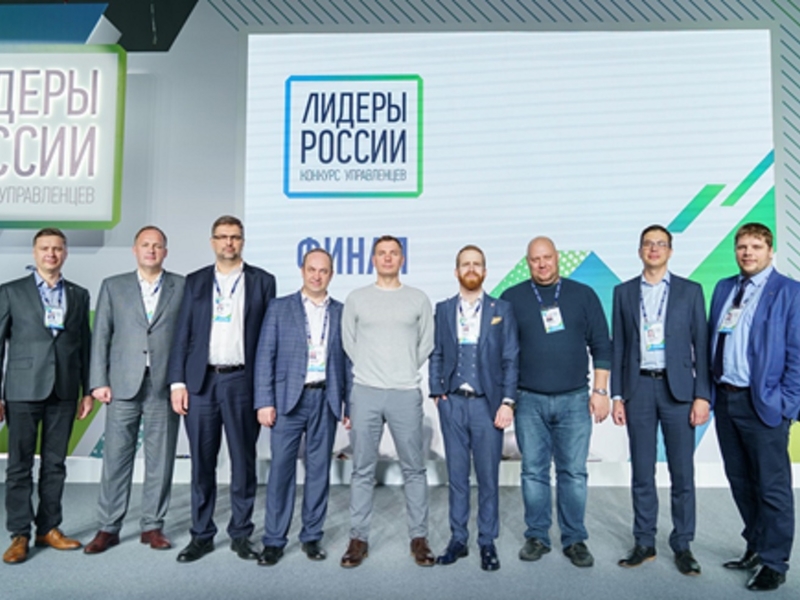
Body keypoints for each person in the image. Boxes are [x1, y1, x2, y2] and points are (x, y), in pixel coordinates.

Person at [167, 215, 275, 563]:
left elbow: (268, 340)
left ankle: (241, 534)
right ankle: (201, 535)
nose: (229, 242)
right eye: (223, 236)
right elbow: (182, 333)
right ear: (213, 241)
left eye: (235, 237)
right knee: (202, 463)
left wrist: (266, 390)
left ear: (242, 241)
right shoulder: (196, 281)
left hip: (242, 381)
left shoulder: (262, 281)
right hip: (201, 383)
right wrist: (178, 382)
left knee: (243, 462)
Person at [500, 236, 611, 568]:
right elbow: (503, 353)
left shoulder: (583, 295)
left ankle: (574, 539)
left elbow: (602, 345)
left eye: (547, 257)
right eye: (535, 259)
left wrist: (600, 392)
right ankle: (537, 535)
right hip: (528, 401)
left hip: (575, 399)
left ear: (557, 257)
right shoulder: (512, 298)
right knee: (533, 472)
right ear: (527, 262)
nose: (542, 264)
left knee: (573, 473)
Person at [611, 225, 710, 575]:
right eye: (648, 244)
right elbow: (619, 347)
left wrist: (702, 395)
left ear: (670, 250)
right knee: (642, 470)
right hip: (638, 389)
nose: (654, 249)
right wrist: (617, 396)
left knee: (682, 473)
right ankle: (644, 541)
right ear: (640, 251)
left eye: (661, 244)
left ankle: (683, 544)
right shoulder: (623, 292)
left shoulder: (690, 291)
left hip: (679, 391)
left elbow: (702, 346)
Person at [83, 226, 185, 554]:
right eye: (145, 245)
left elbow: (188, 338)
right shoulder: (113, 286)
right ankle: (108, 527)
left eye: (157, 245)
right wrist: (98, 381)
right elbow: (101, 335)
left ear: (165, 251)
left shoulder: (182, 286)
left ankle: (152, 526)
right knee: (115, 458)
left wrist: (181, 383)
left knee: (161, 460)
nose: (151, 250)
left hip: (164, 385)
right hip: (122, 384)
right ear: (135, 249)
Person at [709, 222, 800, 591]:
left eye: (756, 247)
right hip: (726, 399)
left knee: (772, 487)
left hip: (763, 403)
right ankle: (757, 545)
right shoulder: (724, 288)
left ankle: (775, 562)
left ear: (770, 251)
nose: (748, 253)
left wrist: (787, 405)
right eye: (742, 247)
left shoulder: (790, 292)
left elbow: (797, 354)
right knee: (740, 480)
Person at [339, 235, 435, 568]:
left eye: (394, 253)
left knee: (414, 469)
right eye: (382, 253)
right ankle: (358, 539)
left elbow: (426, 344)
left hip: (405, 392)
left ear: (402, 259)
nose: (388, 257)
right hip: (365, 390)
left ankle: (419, 538)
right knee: (362, 469)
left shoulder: (418, 299)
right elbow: (349, 343)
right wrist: (371, 368)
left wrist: (403, 368)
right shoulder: (357, 298)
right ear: (373, 259)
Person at [0, 228, 93, 564]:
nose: (51, 254)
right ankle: (19, 534)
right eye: (45, 248)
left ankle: (48, 528)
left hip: (64, 390)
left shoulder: (79, 295)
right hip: (22, 390)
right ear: (34, 252)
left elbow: (85, 346)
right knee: (19, 466)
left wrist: (87, 390)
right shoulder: (10, 292)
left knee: (55, 464)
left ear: (65, 253)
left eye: (57, 248)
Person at [254, 248, 350, 566]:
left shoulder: (342, 311)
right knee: (281, 471)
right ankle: (274, 540)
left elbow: (348, 362)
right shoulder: (279, 308)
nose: (316, 276)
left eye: (323, 271)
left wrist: (348, 404)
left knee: (319, 471)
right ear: (302, 270)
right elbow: (265, 356)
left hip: (326, 398)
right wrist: (264, 401)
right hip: (287, 401)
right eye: (312, 269)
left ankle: (311, 536)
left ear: (331, 274)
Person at [429, 245, 518, 571]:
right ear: (456, 272)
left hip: (487, 405)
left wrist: (507, 401)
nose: (471, 269)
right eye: (465, 264)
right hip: (453, 403)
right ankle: (458, 539)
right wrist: (437, 391)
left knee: (488, 477)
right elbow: (436, 352)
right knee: (456, 477)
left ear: (485, 271)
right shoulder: (443, 309)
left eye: (476, 264)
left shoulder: (501, 309)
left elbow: (511, 358)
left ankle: (487, 541)